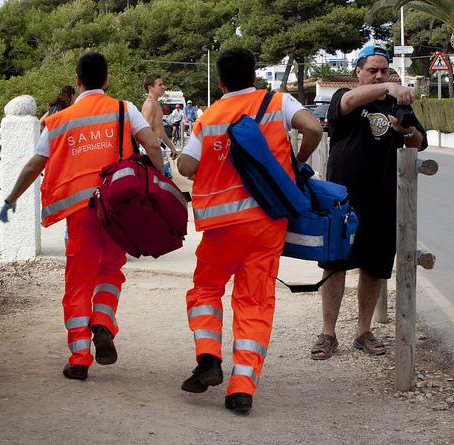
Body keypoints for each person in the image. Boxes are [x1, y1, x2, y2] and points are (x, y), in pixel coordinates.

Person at [0, 52, 163, 381]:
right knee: (111, 271)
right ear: (106, 79)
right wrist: (161, 185)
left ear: (77, 81)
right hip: (118, 208)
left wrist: (12, 197)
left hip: (81, 213)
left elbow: (35, 164)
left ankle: (79, 358)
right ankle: (102, 323)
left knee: (78, 283)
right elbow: (152, 146)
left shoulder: (60, 121)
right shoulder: (124, 108)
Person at [177, 47, 323, 413]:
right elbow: (314, 128)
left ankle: (209, 358)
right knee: (254, 301)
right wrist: (293, 162)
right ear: (255, 76)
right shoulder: (278, 102)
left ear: (221, 81)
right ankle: (242, 388)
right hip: (267, 222)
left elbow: (187, 165)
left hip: (222, 226)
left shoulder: (209, 116)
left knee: (207, 288)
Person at [310, 45, 428, 360]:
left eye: (384, 70)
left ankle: (363, 332)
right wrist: (388, 86)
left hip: (382, 198)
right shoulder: (344, 97)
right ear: (358, 73)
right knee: (335, 264)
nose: (378, 74)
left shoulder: (396, 104)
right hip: (342, 200)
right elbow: (347, 103)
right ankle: (327, 333)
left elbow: (419, 143)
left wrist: (407, 131)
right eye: (372, 70)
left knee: (374, 267)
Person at [141, 73, 178, 178]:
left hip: (157, 147)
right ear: (150, 88)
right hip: (152, 150)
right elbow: (146, 133)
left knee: (165, 182)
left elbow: (160, 131)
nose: (163, 87)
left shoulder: (156, 104)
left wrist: (171, 146)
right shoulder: (150, 105)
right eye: (160, 85)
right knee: (160, 183)